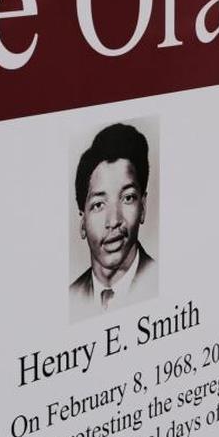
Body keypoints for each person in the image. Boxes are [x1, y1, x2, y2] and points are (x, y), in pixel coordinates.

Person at [70, 123, 157, 320]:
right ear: (82, 221)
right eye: (99, 204)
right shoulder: (71, 296)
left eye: (127, 198)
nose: (114, 221)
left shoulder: (160, 279)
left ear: (143, 207)